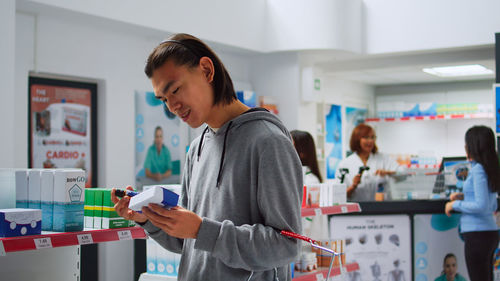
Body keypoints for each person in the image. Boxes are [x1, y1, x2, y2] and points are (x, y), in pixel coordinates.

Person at [112, 33, 303, 281]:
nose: (172, 107)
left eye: (176, 90)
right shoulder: (196, 149)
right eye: (164, 99)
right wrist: (149, 219)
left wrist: (202, 230)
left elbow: (287, 245)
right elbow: (190, 243)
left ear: (206, 70)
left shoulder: (268, 142)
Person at [445, 125, 500, 281]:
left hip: (477, 235)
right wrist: (463, 196)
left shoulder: (478, 170)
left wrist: (454, 205)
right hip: (488, 233)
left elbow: (481, 205)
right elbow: (491, 204)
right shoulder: (488, 168)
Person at [336, 123, 404, 201]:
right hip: (357, 210)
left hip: (383, 209)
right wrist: (353, 186)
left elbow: (403, 173)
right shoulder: (345, 164)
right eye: (366, 137)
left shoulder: (383, 159)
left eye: (372, 137)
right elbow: (339, 196)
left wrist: (388, 173)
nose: (370, 141)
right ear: (357, 139)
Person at [290, 130, 328, 239]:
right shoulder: (298, 176)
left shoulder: (311, 181)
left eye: (290, 144)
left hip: (306, 240)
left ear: (302, 153)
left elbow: (307, 220)